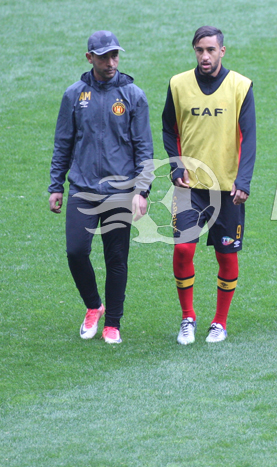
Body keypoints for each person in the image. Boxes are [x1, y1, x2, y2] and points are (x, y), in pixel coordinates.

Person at [48, 30, 153, 344]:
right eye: (105, 56)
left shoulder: (133, 95)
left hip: (120, 191)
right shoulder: (74, 95)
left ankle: (113, 324)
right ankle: (94, 306)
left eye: (115, 55)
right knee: (76, 251)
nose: (112, 62)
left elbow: (144, 148)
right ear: (89, 57)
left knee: (116, 258)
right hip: (82, 188)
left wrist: (142, 191)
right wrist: (56, 186)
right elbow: (62, 143)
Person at [162, 26, 256, 344]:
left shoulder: (240, 86)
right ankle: (188, 318)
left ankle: (220, 322)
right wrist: (176, 166)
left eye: (211, 50)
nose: (205, 56)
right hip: (190, 185)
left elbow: (249, 137)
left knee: (226, 256)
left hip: (227, 188)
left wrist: (243, 181)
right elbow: (168, 128)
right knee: (183, 249)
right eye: (199, 50)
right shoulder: (178, 85)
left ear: (222, 51)